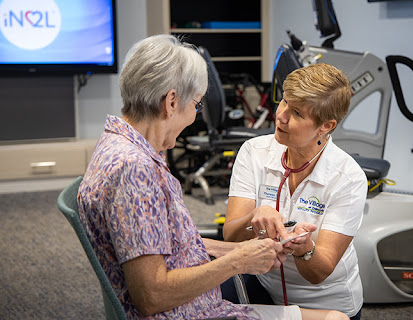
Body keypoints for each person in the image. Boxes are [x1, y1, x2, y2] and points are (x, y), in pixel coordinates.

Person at [77, 34, 348, 320]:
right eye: (195, 105)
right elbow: (152, 296)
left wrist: (242, 250)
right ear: (171, 102)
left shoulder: (115, 144)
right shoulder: (135, 170)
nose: (194, 117)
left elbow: (161, 246)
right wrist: (237, 261)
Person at [223, 63, 368, 320]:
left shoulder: (348, 178)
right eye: (284, 102)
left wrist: (304, 248)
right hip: (263, 286)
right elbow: (231, 237)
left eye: (298, 113)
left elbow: (318, 273)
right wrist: (254, 216)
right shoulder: (254, 152)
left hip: (325, 302)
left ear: (326, 126)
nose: (281, 116)